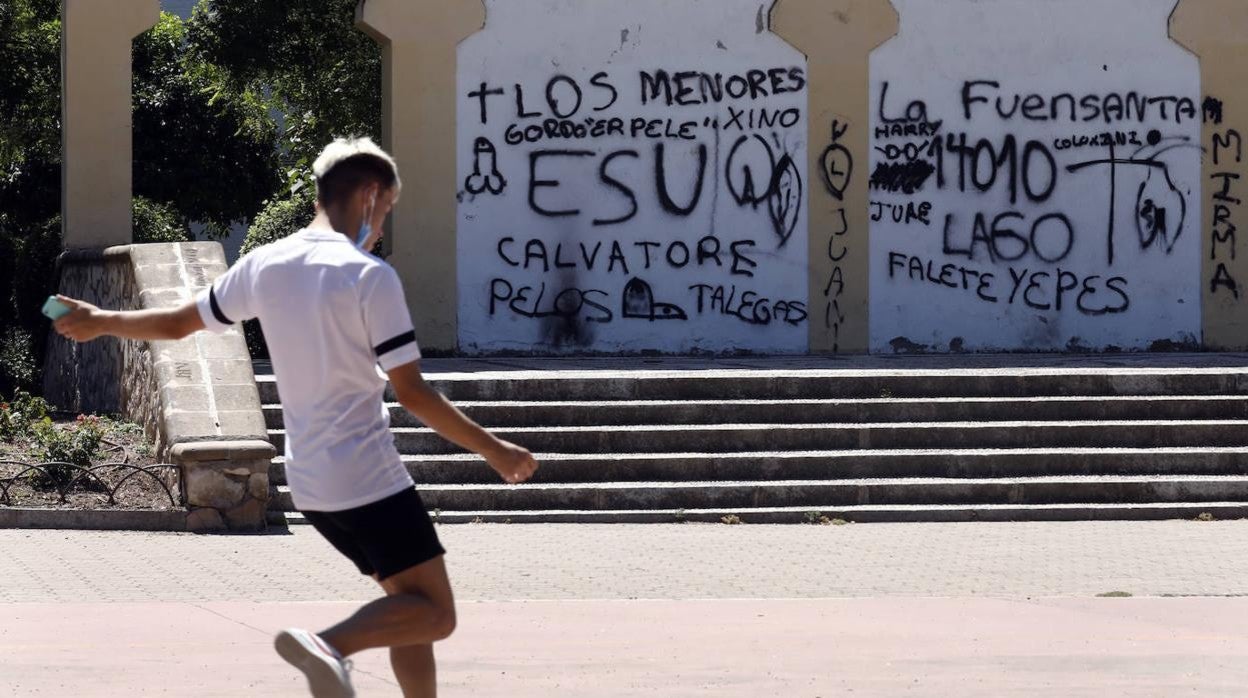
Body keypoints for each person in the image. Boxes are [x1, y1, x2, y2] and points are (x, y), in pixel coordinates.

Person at [53, 136, 539, 698]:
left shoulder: (265, 263)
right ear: (370, 195)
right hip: (368, 476)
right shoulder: (369, 276)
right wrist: (494, 449)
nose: (381, 228)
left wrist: (102, 318)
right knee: (436, 614)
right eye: (385, 213)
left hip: (309, 480)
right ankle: (327, 647)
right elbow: (412, 393)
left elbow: (179, 324)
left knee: (407, 606)